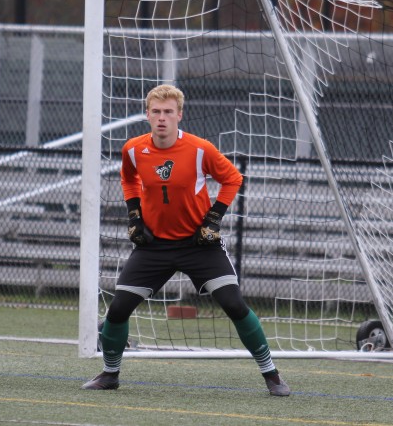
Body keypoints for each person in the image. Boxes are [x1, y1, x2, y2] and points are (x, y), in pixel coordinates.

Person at [81, 84, 290, 396]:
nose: (162, 118)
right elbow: (128, 178)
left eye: (168, 112)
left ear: (179, 115)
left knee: (233, 304)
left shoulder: (199, 149)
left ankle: (272, 375)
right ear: (147, 115)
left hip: (199, 245)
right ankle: (110, 374)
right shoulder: (134, 150)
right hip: (154, 247)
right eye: (156, 112)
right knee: (118, 309)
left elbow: (233, 178)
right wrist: (134, 215)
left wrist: (213, 218)